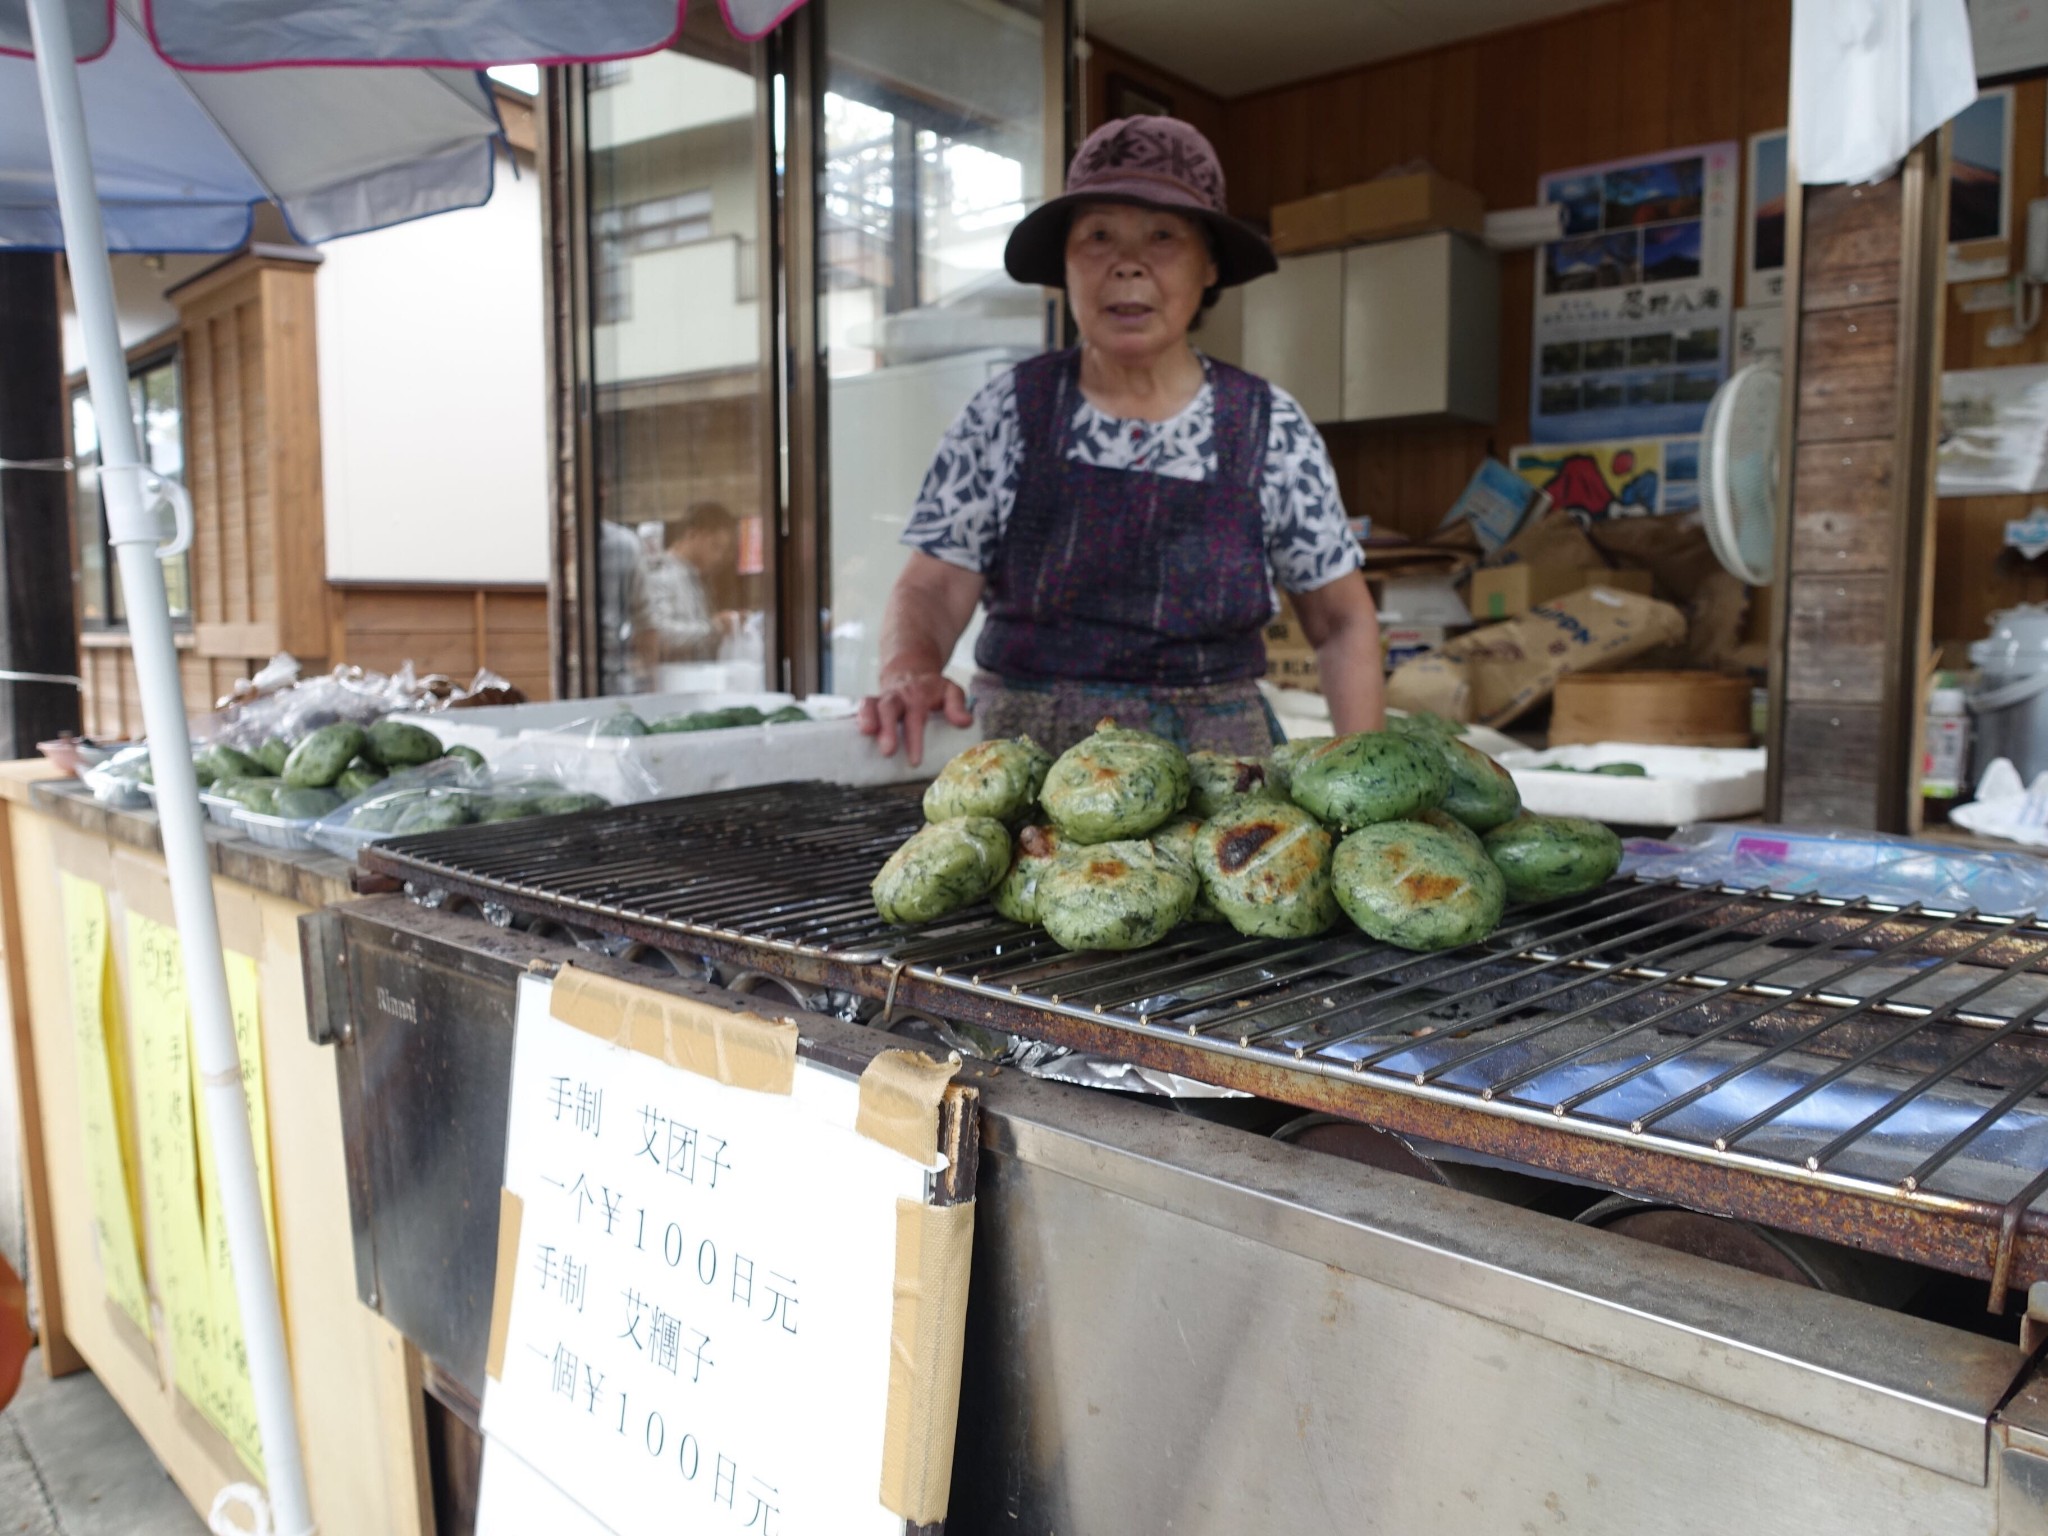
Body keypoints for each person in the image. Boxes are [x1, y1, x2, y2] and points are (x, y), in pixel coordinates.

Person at [858, 115, 1382, 764]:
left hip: (1219, 771)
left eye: (1162, 236)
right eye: (1098, 236)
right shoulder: (1007, 411)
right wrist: (909, 666)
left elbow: (1341, 622)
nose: (1128, 266)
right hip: (1027, 758)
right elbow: (934, 586)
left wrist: (1365, 776)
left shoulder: (1270, 426)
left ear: (1209, 265)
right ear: (1066, 263)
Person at [635, 500, 741, 668]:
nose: (719, 557)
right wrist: (714, 628)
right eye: (715, 546)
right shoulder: (662, 574)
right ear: (692, 535)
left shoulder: (697, 579)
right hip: (673, 680)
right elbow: (658, 634)